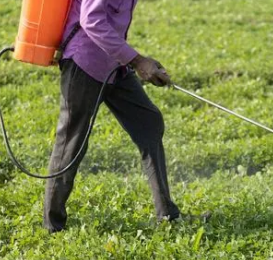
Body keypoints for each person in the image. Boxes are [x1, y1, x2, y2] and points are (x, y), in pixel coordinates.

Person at [43, 0, 181, 233]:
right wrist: (138, 61)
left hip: (114, 65)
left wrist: (134, 61)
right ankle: (53, 226)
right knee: (71, 143)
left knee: (149, 123)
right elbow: (92, 21)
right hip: (84, 62)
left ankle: (167, 215)